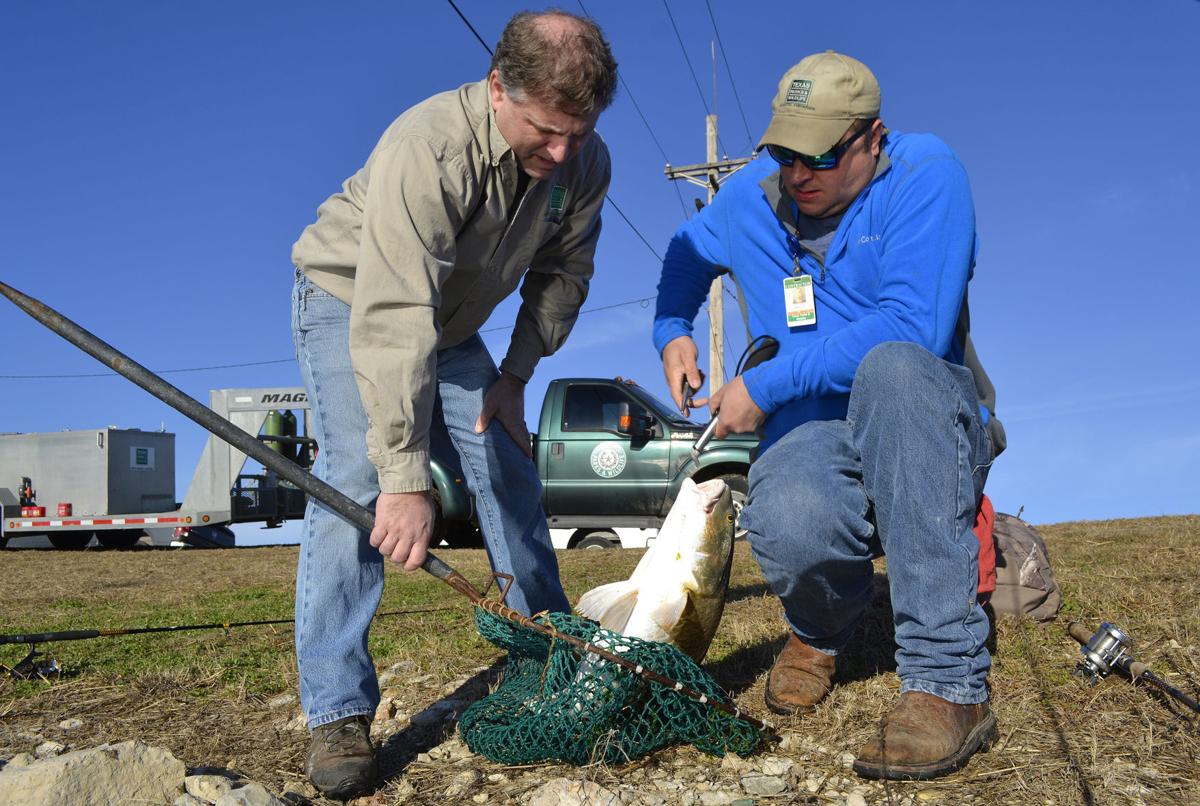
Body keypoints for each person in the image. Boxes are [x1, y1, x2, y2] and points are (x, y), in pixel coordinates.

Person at [289, 11, 617, 799]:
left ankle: (548, 649)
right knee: (358, 478)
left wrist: (512, 379)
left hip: (453, 324)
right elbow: (395, 311)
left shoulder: (582, 161)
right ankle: (337, 709)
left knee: (505, 460)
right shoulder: (427, 145)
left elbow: (563, 276)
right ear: (498, 87)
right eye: (545, 131)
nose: (562, 153)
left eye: (578, 132)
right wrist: (404, 476)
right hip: (354, 296)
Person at [654, 51, 1006, 781]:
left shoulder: (926, 176)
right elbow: (686, 255)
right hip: (809, 432)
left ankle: (948, 684)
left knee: (896, 367)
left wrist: (765, 383)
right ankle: (817, 630)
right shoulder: (751, 198)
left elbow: (913, 325)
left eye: (816, 156)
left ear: (872, 138)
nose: (795, 175)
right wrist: (673, 330)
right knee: (789, 518)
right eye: (783, 153)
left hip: (919, 417)